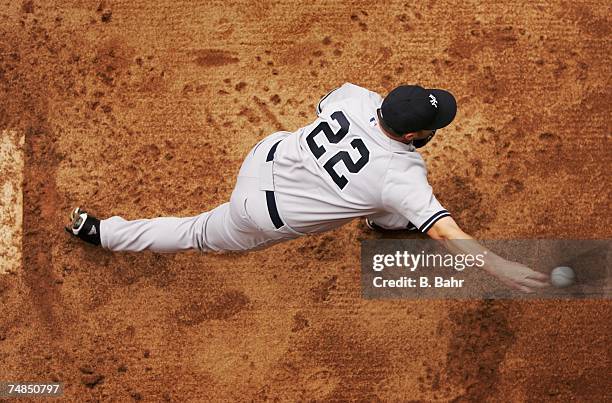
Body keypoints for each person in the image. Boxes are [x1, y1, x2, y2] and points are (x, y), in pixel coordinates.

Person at [65, 83, 549, 292]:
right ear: (410, 136)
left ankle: (383, 220)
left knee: (387, 206)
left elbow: (325, 106)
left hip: (264, 157)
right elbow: (444, 234)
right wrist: (498, 265)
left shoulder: (356, 97)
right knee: (197, 234)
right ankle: (105, 235)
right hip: (256, 214)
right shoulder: (403, 176)